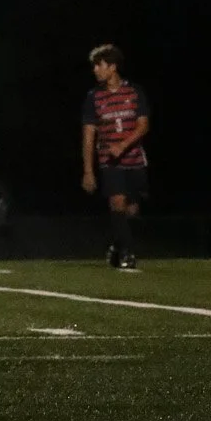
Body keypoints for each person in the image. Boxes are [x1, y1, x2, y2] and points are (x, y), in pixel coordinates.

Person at [81, 46, 149, 271]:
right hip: (109, 163)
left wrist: (123, 145)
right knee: (117, 202)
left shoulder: (134, 91)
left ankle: (117, 246)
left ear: (112, 67)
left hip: (135, 161)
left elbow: (143, 125)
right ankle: (128, 254)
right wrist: (88, 170)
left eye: (99, 65)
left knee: (132, 212)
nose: (95, 70)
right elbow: (88, 135)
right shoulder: (94, 97)